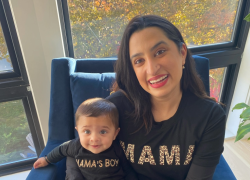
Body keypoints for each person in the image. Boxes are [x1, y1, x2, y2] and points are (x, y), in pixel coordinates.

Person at [66, 15, 226, 180]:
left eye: (160, 52)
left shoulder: (210, 117)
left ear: (182, 53)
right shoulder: (117, 107)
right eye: (139, 60)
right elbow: (76, 148)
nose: (151, 69)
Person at [33, 98, 138, 180]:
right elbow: (60, 150)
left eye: (103, 132)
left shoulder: (117, 148)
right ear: (78, 131)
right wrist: (47, 159)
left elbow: (128, 171)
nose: (94, 138)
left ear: (115, 133)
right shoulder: (75, 146)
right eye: (87, 131)